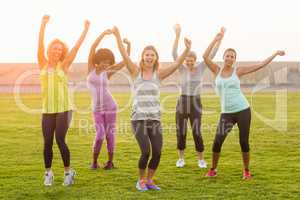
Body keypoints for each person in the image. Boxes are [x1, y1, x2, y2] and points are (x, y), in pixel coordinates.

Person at [112, 26, 191, 191]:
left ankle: (149, 180)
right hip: (138, 118)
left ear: (156, 58)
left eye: (152, 55)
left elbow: (177, 64)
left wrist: (187, 49)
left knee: (157, 152)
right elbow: (122, 52)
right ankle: (140, 181)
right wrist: (118, 35)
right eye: (147, 54)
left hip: (155, 118)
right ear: (143, 57)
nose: (149, 57)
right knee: (146, 151)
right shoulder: (135, 71)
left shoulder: (159, 74)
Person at [203, 27, 285, 179]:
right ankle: (213, 169)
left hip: (242, 110)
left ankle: (246, 171)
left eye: (232, 57)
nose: (229, 58)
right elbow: (205, 56)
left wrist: (274, 54)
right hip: (226, 113)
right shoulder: (216, 70)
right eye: (227, 56)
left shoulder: (238, 71)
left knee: (243, 142)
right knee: (217, 142)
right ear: (223, 57)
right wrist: (216, 39)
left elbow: (260, 65)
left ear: (235, 59)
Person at [38, 14, 89, 186]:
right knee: (47, 142)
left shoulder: (64, 65)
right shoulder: (42, 63)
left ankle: (68, 172)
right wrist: (43, 25)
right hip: (47, 109)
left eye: (60, 49)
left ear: (62, 52)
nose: (57, 51)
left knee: (60, 139)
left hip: (64, 109)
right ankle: (48, 173)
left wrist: (85, 30)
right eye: (54, 48)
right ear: (49, 50)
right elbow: (39, 44)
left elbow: (76, 47)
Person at [172, 24, 222, 168]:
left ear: (195, 60)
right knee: (181, 131)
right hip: (182, 101)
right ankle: (181, 158)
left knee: (196, 131)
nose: (188, 62)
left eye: (191, 60)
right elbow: (174, 53)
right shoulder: (181, 68)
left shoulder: (201, 67)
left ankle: (201, 159)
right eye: (187, 60)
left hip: (195, 101)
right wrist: (177, 35)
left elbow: (212, 54)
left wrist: (218, 40)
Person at [87, 29, 131, 170]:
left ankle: (110, 162)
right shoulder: (90, 70)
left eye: (108, 62)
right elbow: (93, 47)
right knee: (100, 135)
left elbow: (125, 61)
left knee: (110, 135)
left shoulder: (108, 72)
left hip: (111, 107)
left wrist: (128, 46)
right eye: (103, 62)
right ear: (97, 61)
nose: (105, 64)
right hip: (97, 109)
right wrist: (103, 34)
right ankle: (94, 162)